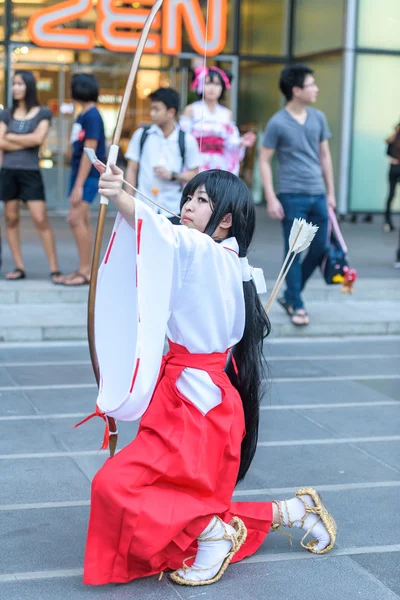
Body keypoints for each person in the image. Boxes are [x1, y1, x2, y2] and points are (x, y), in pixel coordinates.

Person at [79, 165, 336, 587]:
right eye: (188, 197)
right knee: (187, 498)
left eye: (201, 201)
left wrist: (121, 196)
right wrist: (124, 191)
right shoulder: (228, 259)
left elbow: (161, 234)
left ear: (227, 219)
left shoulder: (206, 252)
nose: (187, 206)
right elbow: (165, 236)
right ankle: (292, 511)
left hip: (196, 402)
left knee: (118, 486)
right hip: (199, 396)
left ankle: (212, 534)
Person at [260, 65, 336, 327]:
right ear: (296, 90)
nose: (316, 89)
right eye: (311, 84)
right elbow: (264, 160)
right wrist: (271, 197)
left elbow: (325, 156)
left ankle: (291, 294)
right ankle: (297, 303)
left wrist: (331, 193)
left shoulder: (318, 118)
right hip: (291, 195)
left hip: (317, 194)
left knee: (321, 247)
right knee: (294, 250)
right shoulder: (278, 122)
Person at [0, 70, 61, 282]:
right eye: (14, 84)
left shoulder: (43, 112)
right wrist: (24, 139)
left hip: (30, 172)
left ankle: (54, 268)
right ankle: (19, 267)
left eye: (20, 84)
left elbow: (38, 139)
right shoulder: (6, 114)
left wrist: (11, 137)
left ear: (29, 86)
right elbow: (0, 141)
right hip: (8, 171)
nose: (15, 88)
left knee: (40, 218)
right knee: (11, 218)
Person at [57, 73, 106, 286]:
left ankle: (87, 271)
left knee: (75, 218)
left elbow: (91, 151)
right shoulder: (82, 115)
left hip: (88, 176)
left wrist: (78, 185)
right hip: (80, 173)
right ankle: (84, 268)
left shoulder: (92, 116)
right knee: (82, 220)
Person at [125, 87, 200, 223]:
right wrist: (128, 201)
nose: (151, 113)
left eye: (156, 109)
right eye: (151, 108)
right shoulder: (141, 135)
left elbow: (194, 174)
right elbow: (132, 169)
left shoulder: (187, 140)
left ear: (171, 112)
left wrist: (173, 175)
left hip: (172, 209)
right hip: (143, 206)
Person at [180, 66, 256, 176]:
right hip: (195, 161)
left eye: (217, 84)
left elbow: (230, 142)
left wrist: (241, 142)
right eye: (208, 83)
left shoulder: (226, 114)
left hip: (219, 163)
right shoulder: (191, 110)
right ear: (201, 85)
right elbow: (183, 139)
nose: (212, 88)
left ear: (222, 88)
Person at [383, 122, 400, 232]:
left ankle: (387, 222)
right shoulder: (393, 139)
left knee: (391, 194)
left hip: (394, 167)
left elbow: (388, 153)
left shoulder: (393, 139)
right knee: (391, 195)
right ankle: (387, 222)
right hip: (394, 168)